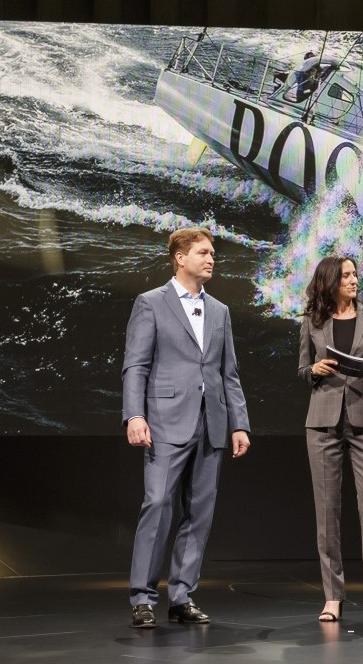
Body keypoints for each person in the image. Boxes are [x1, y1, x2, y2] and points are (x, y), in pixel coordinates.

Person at [123, 227, 252, 629]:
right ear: (180, 257)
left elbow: (228, 373)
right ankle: (142, 598)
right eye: (203, 252)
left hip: (211, 423)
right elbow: (136, 365)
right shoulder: (150, 302)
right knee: (158, 506)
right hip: (164, 421)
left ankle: (181, 596)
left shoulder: (220, 310)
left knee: (199, 514)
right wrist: (134, 415)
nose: (211, 259)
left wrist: (239, 424)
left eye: (212, 253)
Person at [297, 255, 363, 622]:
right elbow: (303, 368)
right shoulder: (312, 321)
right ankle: (332, 597)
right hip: (322, 422)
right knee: (327, 512)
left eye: (355, 274)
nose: (354, 280)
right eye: (346, 276)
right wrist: (315, 369)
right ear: (330, 282)